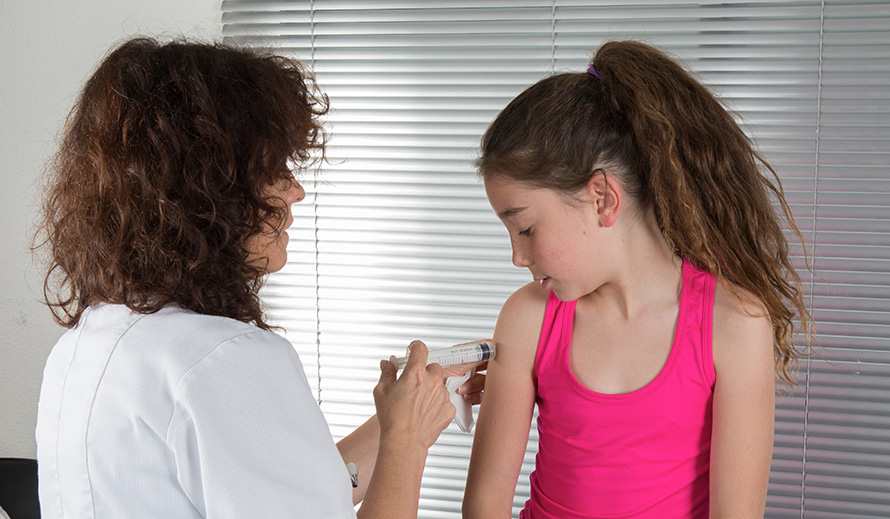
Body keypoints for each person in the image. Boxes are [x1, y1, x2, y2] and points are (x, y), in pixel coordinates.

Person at [33, 37, 483, 519]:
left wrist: (401, 417)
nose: (297, 191)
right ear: (209, 189)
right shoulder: (221, 361)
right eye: (275, 169)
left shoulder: (87, 345)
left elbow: (292, 491)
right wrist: (407, 446)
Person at [462, 40, 815, 519]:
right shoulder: (528, 318)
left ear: (602, 197)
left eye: (525, 228)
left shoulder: (733, 324)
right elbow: (484, 506)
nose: (516, 256)